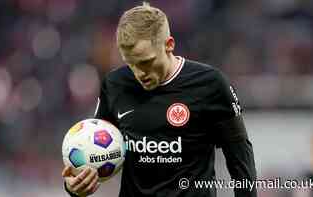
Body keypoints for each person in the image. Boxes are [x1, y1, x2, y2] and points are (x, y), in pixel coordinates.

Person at [62, 2, 257, 197]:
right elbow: (94, 149)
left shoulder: (211, 84)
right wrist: (74, 186)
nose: (140, 73)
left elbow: (239, 156)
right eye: (131, 63)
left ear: (169, 45)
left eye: (146, 62)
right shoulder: (115, 84)